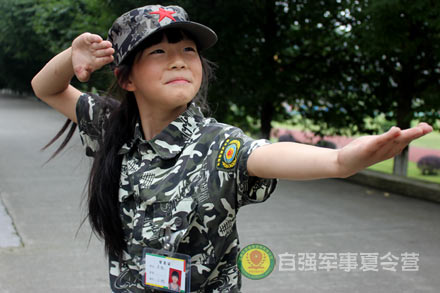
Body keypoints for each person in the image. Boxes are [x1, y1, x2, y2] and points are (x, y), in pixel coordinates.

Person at [30, 4, 432, 293]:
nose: (179, 61)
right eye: (159, 52)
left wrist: (341, 160)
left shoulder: (217, 143)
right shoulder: (113, 127)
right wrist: (72, 56)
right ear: (128, 78)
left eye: (189, 50)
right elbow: (45, 87)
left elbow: (267, 153)